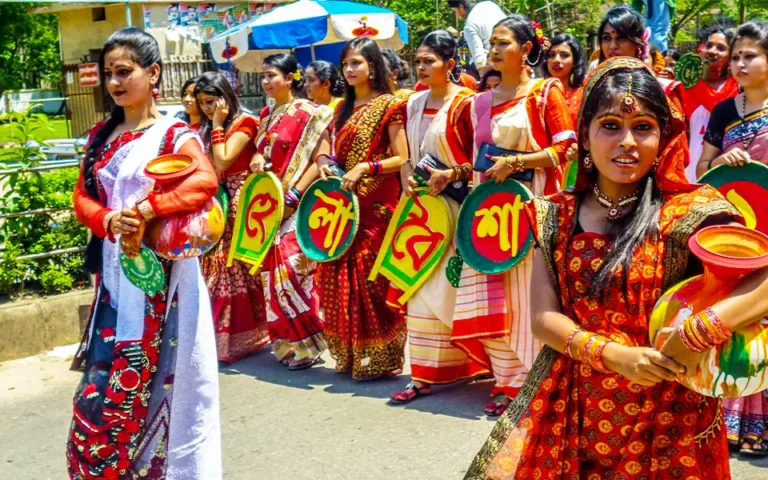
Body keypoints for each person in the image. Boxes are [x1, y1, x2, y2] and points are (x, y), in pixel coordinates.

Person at [464, 56, 748, 480]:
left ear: (665, 136)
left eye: (644, 127)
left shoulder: (692, 211)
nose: (627, 142)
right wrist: (614, 356)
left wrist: (699, 331)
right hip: (575, 405)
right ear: (584, 134)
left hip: (671, 412)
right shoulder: (553, 214)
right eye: (611, 125)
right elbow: (542, 319)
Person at [68, 28, 221, 479]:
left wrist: (146, 210)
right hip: (112, 283)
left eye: (124, 71)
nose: (115, 82)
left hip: (160, 285)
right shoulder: (101, 134)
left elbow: (203, 182)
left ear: (153, 73)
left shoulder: (174, 134)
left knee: (150, 378)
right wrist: (109, 220)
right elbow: (81, 197)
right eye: (108, 74)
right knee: (99, 386)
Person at [454, 14, 576, 416]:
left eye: (503, 42)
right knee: (495, 292)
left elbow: (567, 149)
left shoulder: (544, 93)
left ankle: (538, 381)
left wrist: (518, 162)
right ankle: (508, 380)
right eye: (491, 42)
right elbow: (477, 161)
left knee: (530, 294)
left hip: (533, 205)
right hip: (490, 210)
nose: (493, 49)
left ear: (526, 50)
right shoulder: (479, 103)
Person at [390, 30, 484, 403]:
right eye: (419, 61)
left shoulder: (469, 103)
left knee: (455, 286)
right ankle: (423, 375)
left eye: (430, 60)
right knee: (419, 291)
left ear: (450, 63)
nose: (422, 66)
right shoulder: (412, 104)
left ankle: (475, 364)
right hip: (422, 212)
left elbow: (480, 160)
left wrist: (453, 175)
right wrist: (408, 183)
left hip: (458, 208)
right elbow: (406, 157)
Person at [315, 38, 409, 381]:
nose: (351, 70)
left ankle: (382, 356)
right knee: (338, 279)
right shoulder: (341, 108)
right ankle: (351, 355)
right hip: (340, 205)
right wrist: (324, 162)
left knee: (371, 282)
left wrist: (367, 168)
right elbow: (324, 148)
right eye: (346, 64)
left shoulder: (390, 105)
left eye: (357, 63)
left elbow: (402, 157)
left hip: (375, 204)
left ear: (373, 65)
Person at [698, 22, 768, 456]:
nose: (739, 63)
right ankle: (734, 419)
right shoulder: (724, 111)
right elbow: (703, 170)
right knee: (737, 312)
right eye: (736, 56)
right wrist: (724, 157)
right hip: (735, 231)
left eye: (750, 56)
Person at [248, 54, 334, 370]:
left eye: (272, 75)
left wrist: (295, 194)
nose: (267, 82)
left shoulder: (313, 114)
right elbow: (263, 155)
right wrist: (256, 160)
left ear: (290, 77)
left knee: (291, 270)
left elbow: (321, 156)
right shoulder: (266, 116)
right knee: (271, 277)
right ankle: (286, 344)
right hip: (270, 207)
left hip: (300, 201)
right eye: (263, 76)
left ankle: (310, 341)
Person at [196, 71, 269, 363]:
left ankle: (244, 336)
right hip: (216, 202)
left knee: (234, 268)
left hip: (241, 200)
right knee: (216, 269)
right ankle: (219, 338)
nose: (207, 108)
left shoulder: (244, 122)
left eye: (211, 101)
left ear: (226, 97)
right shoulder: (204, 128)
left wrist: (215, 126)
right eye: (202, 103)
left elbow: (224, 159)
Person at [683, 25, 740, 181]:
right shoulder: (686, 87)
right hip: (689, 173)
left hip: (728, 173)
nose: (712, 51)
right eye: (709, 45)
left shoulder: (739, 90)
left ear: (731, 56)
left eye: (721, 48)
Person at [448, 0, 506, 76]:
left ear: (461, 7)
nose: (457, 16)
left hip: (493, 61)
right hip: (510, 54)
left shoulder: (470, 26)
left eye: (455, 11)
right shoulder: (490, 4)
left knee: (470, 68)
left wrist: (483, 82)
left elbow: (479, 59)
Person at [543, 33, 586, 123]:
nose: (556, 60)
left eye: (564, 55)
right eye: (551, 55)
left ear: (575, 61)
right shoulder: (539, 95)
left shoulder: (584, 95)